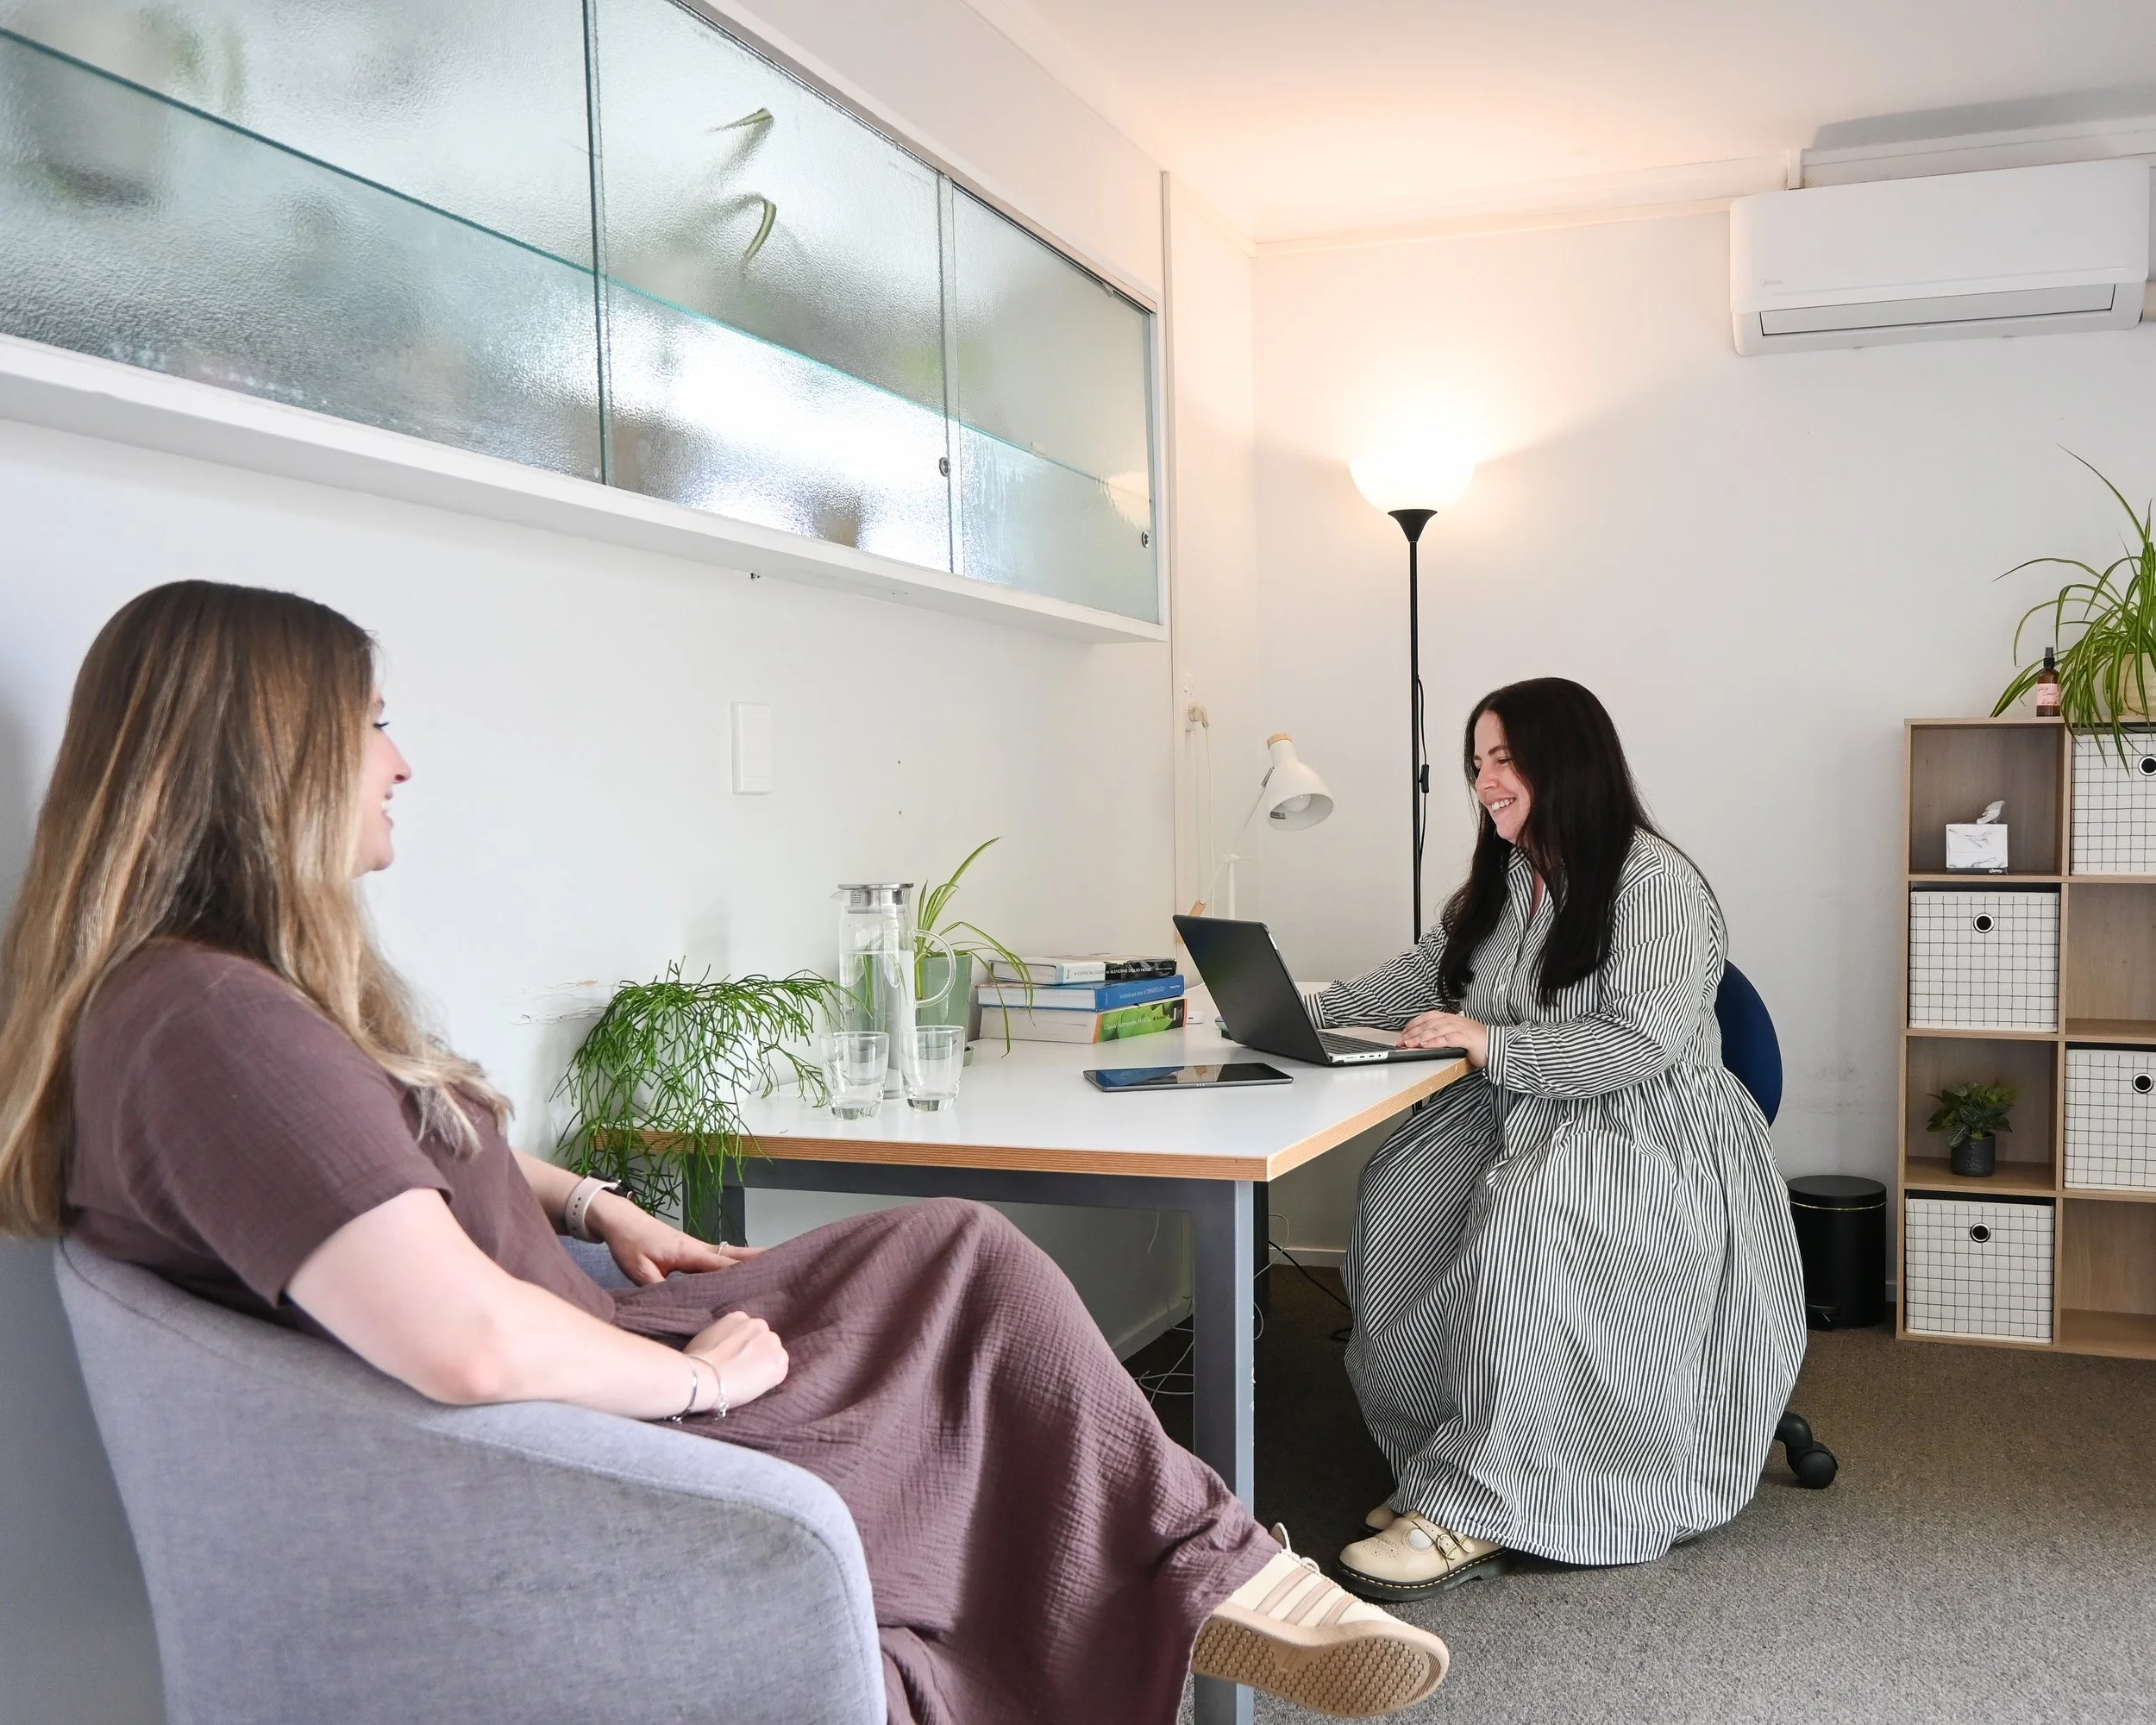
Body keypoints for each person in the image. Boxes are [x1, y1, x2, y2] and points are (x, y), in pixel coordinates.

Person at [0, 580, 1452, 1725]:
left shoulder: (207, 1007)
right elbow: (461, 1345)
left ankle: (1214, 1569)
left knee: (950, 1250)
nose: (400, 760)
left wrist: (589, 1198)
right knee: (968, 1292)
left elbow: (382, 1168)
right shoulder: (210, 1029)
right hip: (590, 1426)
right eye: (372, 721)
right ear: (264, 752)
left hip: (586, 1326)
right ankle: (1215, 1575)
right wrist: (696, 1378)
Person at [1315, 678, 1807, 1599]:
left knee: (1532, 1217)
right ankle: (1441, 1458)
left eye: (1503, 759)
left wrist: (1484, 1040)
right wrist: (1290, 1010)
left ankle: (1483, 1503)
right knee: (1400, 1195)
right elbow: (1419, 979)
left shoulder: (1655, 882)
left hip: (1643, 1120)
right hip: (1518, 1101)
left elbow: (1637, 1041)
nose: (1485, 781)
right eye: (1476, 763)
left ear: (1565, 762)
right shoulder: (1507, 880)